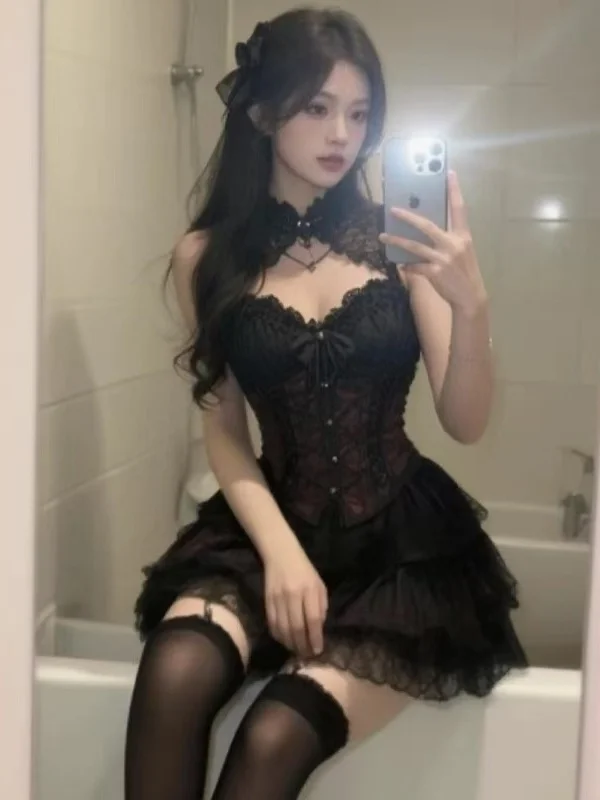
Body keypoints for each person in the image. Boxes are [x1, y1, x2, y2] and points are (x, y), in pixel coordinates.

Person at [124, 7, 527, 799]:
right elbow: (224, 431)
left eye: (360, 112)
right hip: (266, 533)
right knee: (174, 671)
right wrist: (281, 554)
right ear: (263, 113)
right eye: (317, 107)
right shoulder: (205, 256)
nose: (343, 133)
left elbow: (466, 421)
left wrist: (472, 307)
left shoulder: (401, 243)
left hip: (401, 558)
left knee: (272, 737)